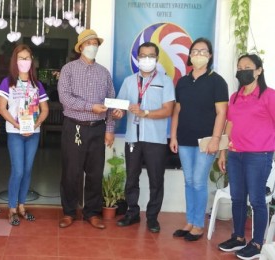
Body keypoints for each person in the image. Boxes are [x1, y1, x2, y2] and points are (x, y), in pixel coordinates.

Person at [57, 29, 121, 229]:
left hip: (97, 129)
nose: (93, 46)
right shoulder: (68, 69)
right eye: (89, 43)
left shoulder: (104, 72)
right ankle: (68, 212)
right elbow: (65, 98)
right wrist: (90, 106)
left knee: (95, 172)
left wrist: (110, 128)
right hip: (74, 127)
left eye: (95, 43)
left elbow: (111, 102)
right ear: (81, 47)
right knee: (71, 171)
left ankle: (91, 213)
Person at [170, 37, 228, 241]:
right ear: (190, 55)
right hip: (184, 139)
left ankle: (199, 225)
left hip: (206, 141)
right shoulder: (183, 81)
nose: (199, 55)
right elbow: (177, 110)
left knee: (198, 181)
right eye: (195, 51)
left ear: (210, 56)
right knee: (188, 181)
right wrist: (173, 136)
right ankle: (190, 221)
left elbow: (222, 113)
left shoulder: (217, 81)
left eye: (203, 51)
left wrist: (215, 139)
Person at [217, 54, 275, 259]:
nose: (242, 71)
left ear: (258, 70)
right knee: (237, 198)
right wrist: (223, 152)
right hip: (235, 155)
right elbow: (229, 125)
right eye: (239, 67)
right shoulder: (235, 97)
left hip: (258, 156)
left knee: (257, 200)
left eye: (248, 67)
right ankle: (238, 237)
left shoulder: (269, 95)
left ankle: (258, 243)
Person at [114, 42, 175, 233]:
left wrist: (145, 112)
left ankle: (152, 218)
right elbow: (122, 107)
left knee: (156, 180)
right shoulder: (129, 81)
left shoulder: (165, 81)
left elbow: (168, 110)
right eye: (142, 55)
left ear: (156, 59)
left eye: (150, 55)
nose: (146, 59)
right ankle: (132, 213)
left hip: (156, 140)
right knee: (131, 178)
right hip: (133, 137)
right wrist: (118, 113)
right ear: (137, 58)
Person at [0, 44, 49, 226]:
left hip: (33, 133)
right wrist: (16, 124)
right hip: (15, 133)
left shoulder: (37, 85)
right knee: (18, 170)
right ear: (15, 61)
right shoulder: (8, 82)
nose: (24, 61)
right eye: (21, 58)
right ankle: (11, 209)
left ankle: (22, 206)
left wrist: (35, 124)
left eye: (27, 58)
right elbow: (1, 108)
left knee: (27, 171)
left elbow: (45, 109)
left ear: (32, 61)